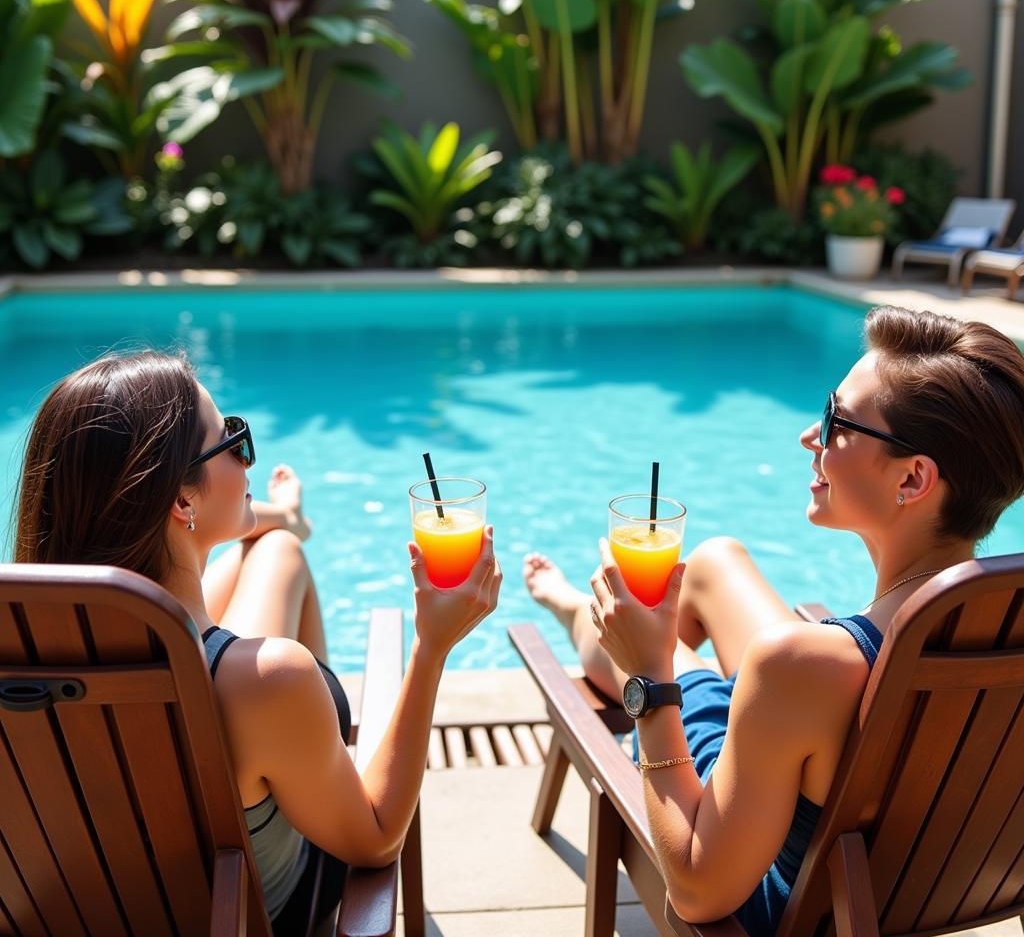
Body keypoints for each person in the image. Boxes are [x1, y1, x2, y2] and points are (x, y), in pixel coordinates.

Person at [523, 305, 1024, 934]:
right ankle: (608, 621)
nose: (810, 437)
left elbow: (699, 892)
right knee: (713, 559)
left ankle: (583, 614)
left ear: (913, 478)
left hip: (762, 866)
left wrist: (651, 681)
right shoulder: (976, 634)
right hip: (910, 859)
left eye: (835, 421)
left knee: (655, 641)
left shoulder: (801, 666)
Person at [14, 350, 501, 934]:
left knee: (277, 550)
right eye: (234, 441)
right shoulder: (268, 681)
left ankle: (286, 521)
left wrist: (260, 514)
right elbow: (374, 841)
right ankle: (318, 756)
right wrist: (432, 646)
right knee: (280, 555)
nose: (247, 458)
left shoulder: (27, 651)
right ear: (181, 501)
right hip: (249, 914)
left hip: (74, 914)